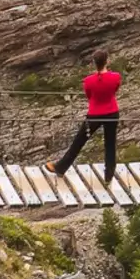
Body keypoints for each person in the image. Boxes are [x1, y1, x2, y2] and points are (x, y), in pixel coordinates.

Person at [48, 49, 121, 184]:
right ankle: (109, 176)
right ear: (107, 61)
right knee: (110, 144)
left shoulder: (88, 81)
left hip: (94, 114)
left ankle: (61, 167)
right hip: (112, 112)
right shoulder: (115, 77)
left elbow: (89, 96)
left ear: (94, 63)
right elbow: (115, 90)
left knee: (79, 141)